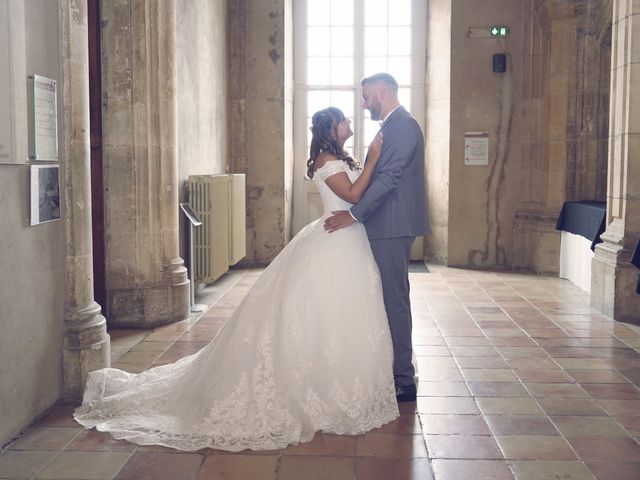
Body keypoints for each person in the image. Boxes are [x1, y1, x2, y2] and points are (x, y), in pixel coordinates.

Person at [73, 106, 399, 452]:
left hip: (349, 240)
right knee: (320, 312)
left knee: (341, 315)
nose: (350, 122)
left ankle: (342, 381)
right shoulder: (324, 160)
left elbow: (357, 192)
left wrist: (368, 161)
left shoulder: (339, 157)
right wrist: (374, 157)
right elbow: (352, 196)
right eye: (345, 120)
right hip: (335, 240)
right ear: (333, 127)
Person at [325, 73, 430, 402]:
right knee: (383, 298)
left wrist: (354, 215)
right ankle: (390, 368)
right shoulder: (392, 126)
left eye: (366, 96)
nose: (363, 103)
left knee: (394, 299)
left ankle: (403, 379)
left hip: (392, 225)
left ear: (382, 92)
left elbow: (388, 180)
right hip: (385, 224)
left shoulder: (402, 126)